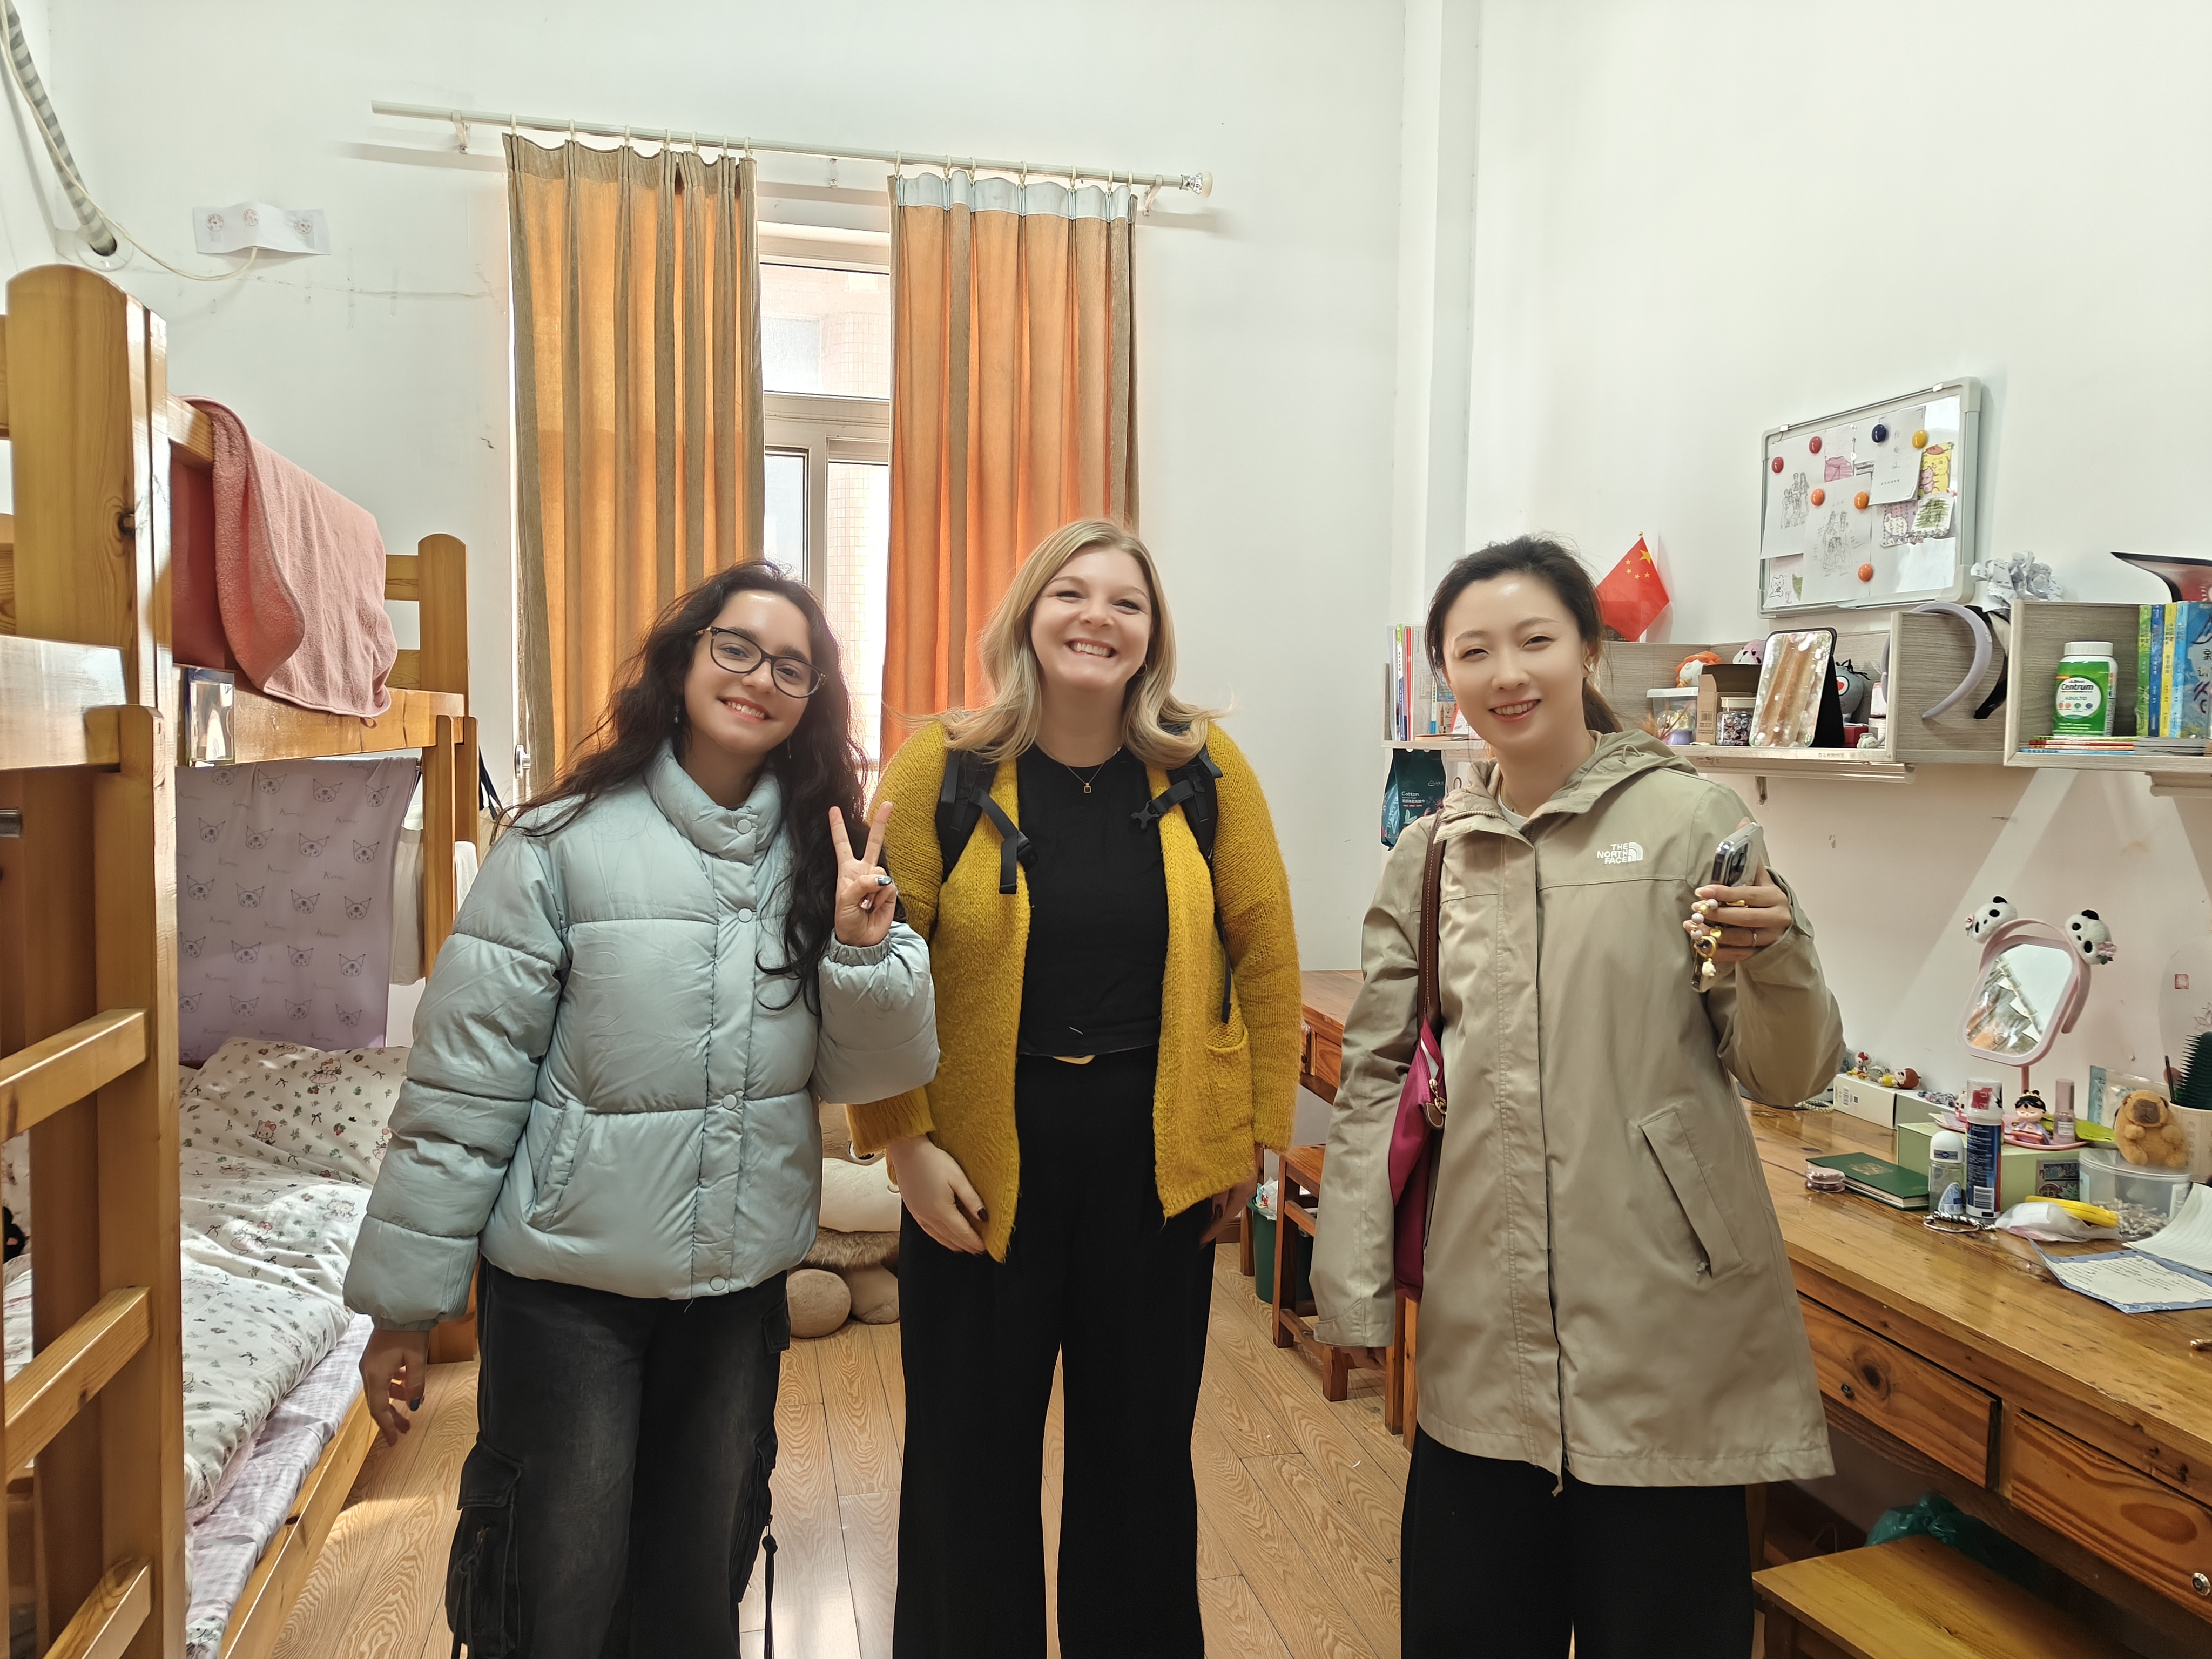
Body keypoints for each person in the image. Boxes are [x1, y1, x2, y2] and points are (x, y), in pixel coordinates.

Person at [345, 563, 938, 1659]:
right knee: (555, 1595)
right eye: (736, 647)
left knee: (695, 1590)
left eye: (792, 667)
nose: (758, 677)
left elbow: (863, 1076)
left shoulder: (824, 857)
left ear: (812, 700)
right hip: (567, 1293)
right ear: (683, 658)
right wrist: (404, 1309)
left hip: (734, 1296)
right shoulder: (559, 842)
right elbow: (464, 1086)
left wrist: (864, 952)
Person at [1311, 536, 1844, 1659]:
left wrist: (1779, 955)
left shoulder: (1695, 822)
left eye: (1534, 641)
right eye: (1473, 651)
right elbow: (1373, 1079)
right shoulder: (1432, 854)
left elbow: (1787, 1074)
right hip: (1478, 1339)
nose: (1506, 673)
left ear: (1587, 651)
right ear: (1444, 675)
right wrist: (1350, 1289)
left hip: (1664, 1335)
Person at [850, 519, 1301, 1659]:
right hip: (977, 1165)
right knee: (965, 1468)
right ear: (1028, 615)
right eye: (1071, 593)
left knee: (1139, 1468)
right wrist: (901, 1141)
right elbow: (877, 964)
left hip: (1154, 1159)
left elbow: (1265, 952)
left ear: (1152, 635)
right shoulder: (941, 764)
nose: (1097, 617)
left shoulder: (1204, 768)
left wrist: (1253, 1139)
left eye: (1126, 602)